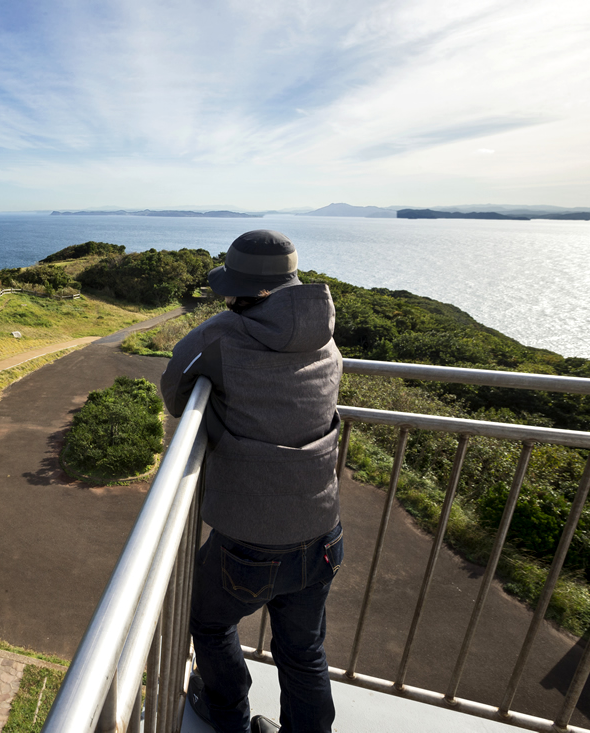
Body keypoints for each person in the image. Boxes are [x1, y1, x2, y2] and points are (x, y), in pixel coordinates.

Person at [160, 230, 344, 733]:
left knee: (209, 620)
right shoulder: (323, 332)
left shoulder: (222, 334)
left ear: (240, 289)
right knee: (303, 648)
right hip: (323, 528)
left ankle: (231, 719)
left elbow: (176, 393)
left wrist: (221, 411)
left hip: (253, 537)